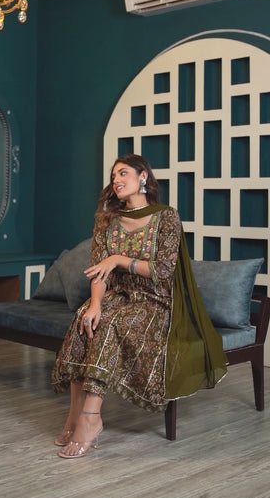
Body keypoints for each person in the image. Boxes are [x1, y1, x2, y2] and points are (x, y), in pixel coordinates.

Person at [51, 154, 227, 459]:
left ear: (142, 175)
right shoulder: (107, 220)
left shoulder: (166, 217)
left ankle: (91, 419)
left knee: (112, 323)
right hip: (116, 296)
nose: (116, 180)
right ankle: (75, 415)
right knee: (85, 319)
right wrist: (95, 304)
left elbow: (163, 270)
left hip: (154, 302)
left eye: (123, 173)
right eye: (113, 176)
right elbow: (99, 271)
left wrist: (119, 259)